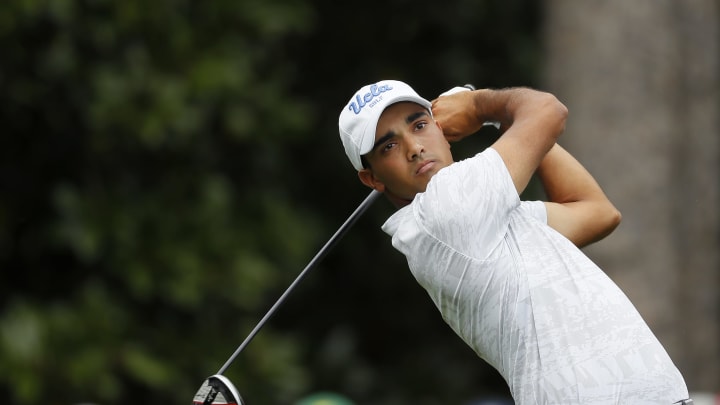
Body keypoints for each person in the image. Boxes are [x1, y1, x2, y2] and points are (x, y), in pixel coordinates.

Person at [337, 80, 691, 404]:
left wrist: (504, 123)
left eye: (419, 125)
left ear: (441, 129)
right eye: (389, 146)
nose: (414, 148)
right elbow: (548, 111)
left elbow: (595, 213)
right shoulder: (446, 209)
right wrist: (478, 106)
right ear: (372, 178)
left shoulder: (480, 216)